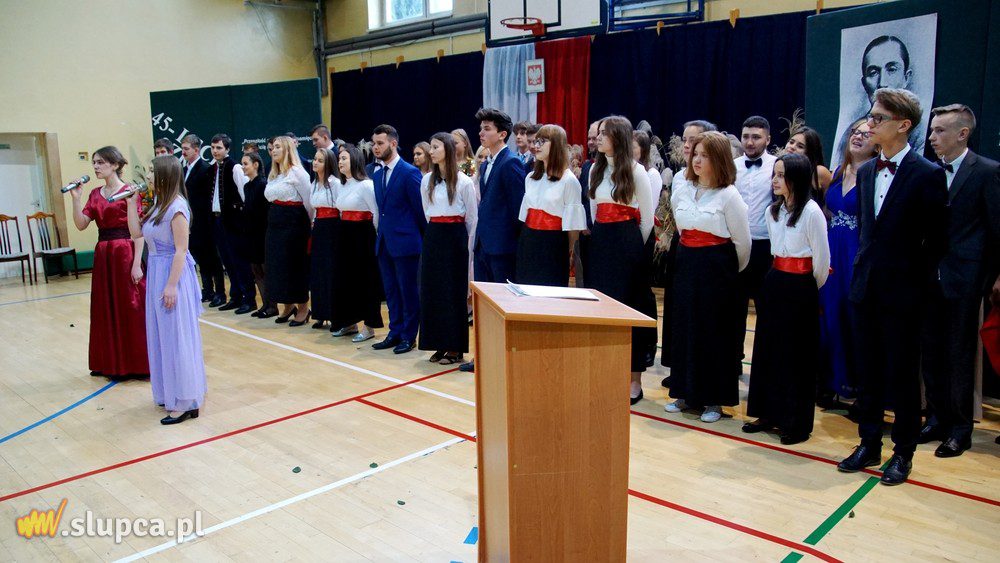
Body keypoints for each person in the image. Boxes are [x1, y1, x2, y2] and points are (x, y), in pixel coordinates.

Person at [837, 88, 948, 486]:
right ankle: (869, 441)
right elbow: (868, 231)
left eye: (879, 118)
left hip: (905, 294)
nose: (870, 123)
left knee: (902, 375)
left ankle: (903, 451)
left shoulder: (927, 174)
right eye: (871, 116)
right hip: (866, 288)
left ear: (903, 125)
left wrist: (915, 285)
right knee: (867, 370)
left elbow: (938, 241)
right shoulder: (867, 171)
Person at [919, 104, 1000, 457]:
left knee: (959, 353)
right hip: (928, 275)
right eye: (932, 130)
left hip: (965, 276)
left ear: (962, 133)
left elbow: (996, 229)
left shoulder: (986, 171)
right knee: (931, 350)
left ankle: (960, 427)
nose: (933, 137)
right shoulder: (929, 171)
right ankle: (936, 416)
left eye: (939, 131)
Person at [744, 153, 831, 444]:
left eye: (781, 175)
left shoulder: (811, 212)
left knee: (797, 356)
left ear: (797, 178)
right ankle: (767, 412)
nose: (775, 180)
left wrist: (805, 289)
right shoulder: (773, 211)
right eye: (775, 174)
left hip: (801, 286)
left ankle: (795, 422)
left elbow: (821, 263)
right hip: (775, 282)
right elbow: (774, 251)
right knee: (769, 350)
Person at [666, 131, 751, 422]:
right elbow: (680, 228)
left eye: (705, 155)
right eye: (696, 154)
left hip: (717, 270)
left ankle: (714, 400)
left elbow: (743, 244)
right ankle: (684, 392)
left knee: (714, 332)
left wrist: (723, 272)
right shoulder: (683, 189)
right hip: (687, 264)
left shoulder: (729, 196)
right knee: (685, 327)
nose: (697, 159)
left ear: (720, 159)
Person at [124, 156, 206, 424]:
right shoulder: (159, 204)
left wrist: (171, 285)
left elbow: (181, 250)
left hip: (172, 273)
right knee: (161, 336)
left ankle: (185, 400)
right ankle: (169, 393)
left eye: (151, 172)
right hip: (158, 269)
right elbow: (137, 234)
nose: (147, 176)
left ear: (164, 176)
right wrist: (130, 204)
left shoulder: (177, 207)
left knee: (176, 336)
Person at [585, 115, 657, 405]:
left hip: (627, 244)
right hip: (601, 243)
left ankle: (634, 380)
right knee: (602, 309)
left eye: (604, 133)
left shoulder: (637, 172)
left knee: (630, 307)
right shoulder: (594, 170)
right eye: (598, 133)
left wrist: (631, 249)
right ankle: (605, 371)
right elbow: (593, 210)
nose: (598, 138)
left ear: (619, 137)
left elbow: (648, 220)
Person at [69, 146, 149, 380]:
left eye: (100, 162)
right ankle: (110, 361)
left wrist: (136, 264)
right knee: (106, 307)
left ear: (115, 165)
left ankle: (137, 362)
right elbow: (81, 224)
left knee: (131, 306)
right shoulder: (95, 194)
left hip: (125, 250)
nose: (95, 167)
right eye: (94, 162)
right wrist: (76, 200)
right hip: (104, 254)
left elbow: (139, 233)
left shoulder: (129, 191)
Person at [460, 108, 527, 372]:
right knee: (484, 308)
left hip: (502, 248)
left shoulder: (510, 163)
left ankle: (504, 359)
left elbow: (517, 209)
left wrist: (510, 244)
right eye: (481, 128)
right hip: (484, 245)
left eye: (487, 128)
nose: (481, 132)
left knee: (503, 308)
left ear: (502, 134)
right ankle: (484, 357)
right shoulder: (487, 163)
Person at [819, 118, 878, 403]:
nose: (859, 137)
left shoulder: (876, 174)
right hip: (832, 249)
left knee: (854, 318)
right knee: (830, 316)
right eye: (856, 132)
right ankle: (833, 382)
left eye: (867, 134)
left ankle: (856, 388)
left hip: (856, 252)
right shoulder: (839, 172)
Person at [659, 120, 717, 382]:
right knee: (676, 309)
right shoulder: (680, 177)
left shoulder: (722, 187)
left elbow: (741, 243)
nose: (686, 145)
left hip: (708, 257)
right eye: (685, 139)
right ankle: (678, 368)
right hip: (682, 248)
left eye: (693, 140)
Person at [419, 132, 478, 364]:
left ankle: (455, 346)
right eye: (430, 147)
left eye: (435, 147)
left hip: (455, 239)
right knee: (433, 290)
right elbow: (426, 211)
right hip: (434, 236)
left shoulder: (463, 181)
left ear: (448, 150)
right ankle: (437, 342)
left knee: (453, 292)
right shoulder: (426, 181)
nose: (431, 151)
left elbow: (472, 219)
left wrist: (468, 248)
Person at [370, 124, 425, 354]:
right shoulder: (377, 173)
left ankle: (409, 335)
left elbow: (420, 211)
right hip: (384, 242)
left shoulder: (409, 172)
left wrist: (419, 241)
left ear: (393, 143)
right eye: (374, 143)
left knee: (407, 291)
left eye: (380, 143)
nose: (375, 147)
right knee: (391, 291)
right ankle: (395, 331)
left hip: (406, 243)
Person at [517, 124, 586, 287]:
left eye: (542, 141)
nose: (536, 146)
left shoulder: (569, 181)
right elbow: (524, 216)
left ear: (556, 145)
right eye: (536, 141)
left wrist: (571, 254)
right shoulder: (530, 178)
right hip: (528, 240)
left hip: (553, 244)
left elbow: (573, 226)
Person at [734, 116, 777, 373]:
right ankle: (733, 360)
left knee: (766, 309)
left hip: (765, 246)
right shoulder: (731, 164)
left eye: (756, 137)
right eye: (746, 136)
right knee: (734, 308)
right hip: (738, 244)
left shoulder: (777, 166)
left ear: (768, 139)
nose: (750, 142)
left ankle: (765, 367)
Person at [330, 144, 384, 342]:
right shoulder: (343, 185)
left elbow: (376, 213)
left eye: (344, 158)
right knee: (346, 280)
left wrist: (375, 238)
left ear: (355, 160)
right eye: (339, 159)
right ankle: (349, 322)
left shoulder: (366, 185)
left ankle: (369, 326)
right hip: (344, 234)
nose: (340, 162)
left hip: (362, 236)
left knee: (366, 281)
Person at [264, 135, 314, 327]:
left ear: (287, 150)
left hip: (294, 225)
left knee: (294, 266)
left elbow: (309, 202)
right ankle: (287, 305)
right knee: (277, 267)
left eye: (277, 147)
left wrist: (308, 225)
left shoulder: (298, 173)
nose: (273, 150)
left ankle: (303, 308)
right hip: (275, 223)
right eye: (273, 147)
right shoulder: (275, 173)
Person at [208, 134, 256, 314]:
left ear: (227, 149)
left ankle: (249, 298)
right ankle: (235, 296)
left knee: (239, 261)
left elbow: (245, 195)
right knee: (227, 261)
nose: (215, 151)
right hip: (219, 220)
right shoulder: (214, 168)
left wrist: (243, 220)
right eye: (213, 148)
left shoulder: (234, 167)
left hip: (234, 221)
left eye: (219, 148)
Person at [180, 134, 224, 306]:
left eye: (186, 149)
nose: (183, 152)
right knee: (200, 257)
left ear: (196, 150)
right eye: (182, 148)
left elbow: (208, 198)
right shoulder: (185, 170)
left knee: (212, 258)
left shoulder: (205, 169)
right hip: (192, 222)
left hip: (204, 221)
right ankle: (207, 289)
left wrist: (208, 222)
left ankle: (219, 291)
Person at [237, 152, 275, 318]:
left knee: (265, 270)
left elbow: (265, 212)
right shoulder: (247, 186)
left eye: (245, 164)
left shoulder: (263, 184)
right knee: (256, 270)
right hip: (250, 234)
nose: (243, 167)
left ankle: (272, 305)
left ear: (256, 165)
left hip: (262, 234)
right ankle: (265, 304)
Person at [308, 147, 340, 330]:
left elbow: (340, 208)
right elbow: (313, 209)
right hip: (319, 227)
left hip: (332, 228)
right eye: (314, 159)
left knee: (330, 272)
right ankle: (320, 313)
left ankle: (333, 314)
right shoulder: (314, 183)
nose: (315, 163)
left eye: (320, 160)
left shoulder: (335, 183)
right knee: (318, 272)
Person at [784, 126, 833, 192]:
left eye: (800, 146)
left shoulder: (819, 172)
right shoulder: (780, 168)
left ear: (810, 153)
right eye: (791, 142)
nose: (792, 147)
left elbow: (833, 200)